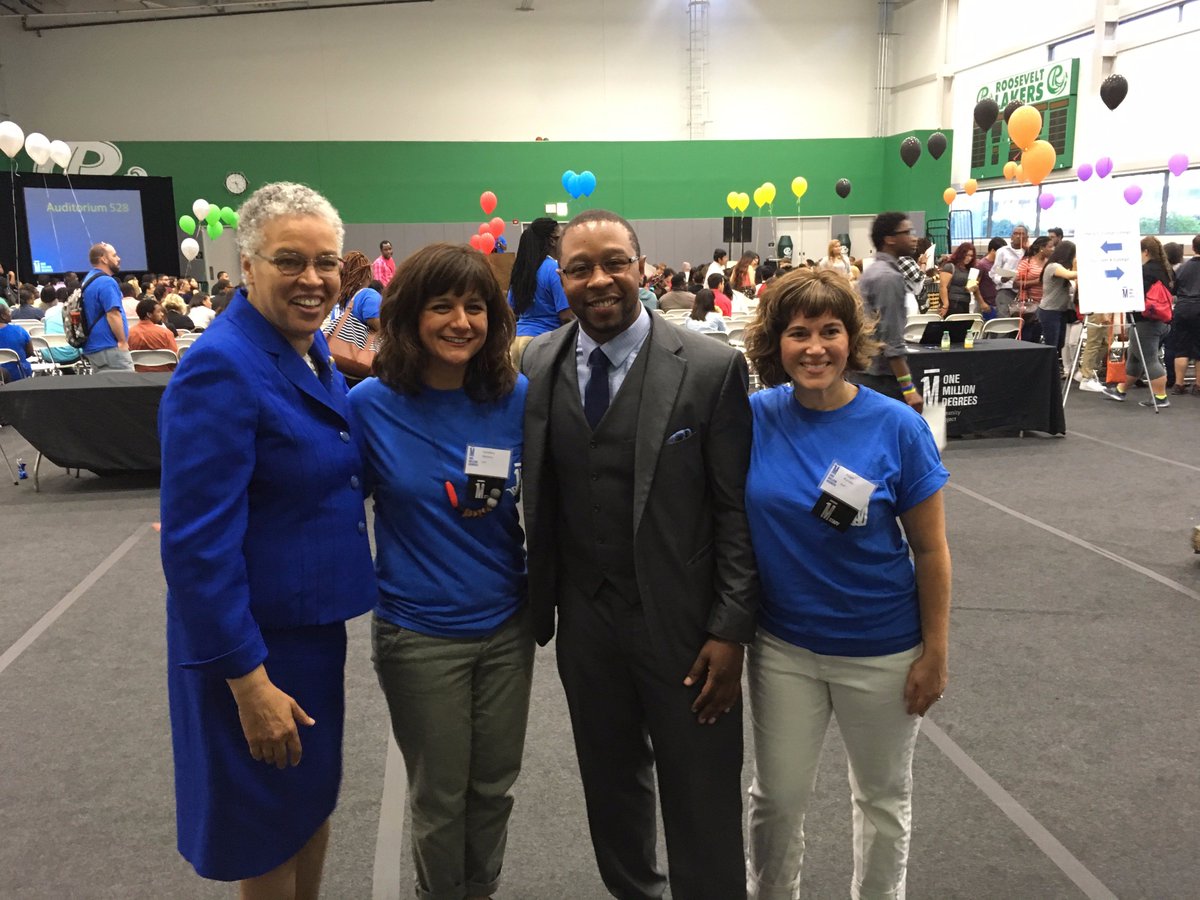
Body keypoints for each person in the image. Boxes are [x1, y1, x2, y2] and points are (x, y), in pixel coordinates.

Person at [520, 209, 758, 900]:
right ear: (560, 278)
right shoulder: (538, 361)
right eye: (579, 268)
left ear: (642, 267)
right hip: (585, 619)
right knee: (609, 784)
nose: (598, 280)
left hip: (686, 624)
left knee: (701, 790)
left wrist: (730, 629)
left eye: (614, 263)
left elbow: (735, 511)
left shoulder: (711, 368)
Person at [158, 182, 376, 896]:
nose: (313, 278)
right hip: (252, 648)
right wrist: (247, 681)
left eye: (326, 262)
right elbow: (196, 547)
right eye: (290, 260)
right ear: (247, 266)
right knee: (264, 831)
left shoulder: (311, 349)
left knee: (308, 805)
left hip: (309, 633)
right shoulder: (221, 366)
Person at [741, 267, 950, 900]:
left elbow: (931, 550)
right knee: (776, 799)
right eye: (798, 333)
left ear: (851, 339)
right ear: (775, 343)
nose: (815, 348)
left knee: (883, 798)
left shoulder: (897, 427)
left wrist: (935, 652)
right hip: (783, 648)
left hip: (883, 650)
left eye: (830, 331)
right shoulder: (751, 418)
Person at [348, 242, 533, 900]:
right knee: (440, 796)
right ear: (409, 316)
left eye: (475, 307)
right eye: (442, 306)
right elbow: (331, 510)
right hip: (419, 634)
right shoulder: (369, 406)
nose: (461, 321)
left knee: (493, 789)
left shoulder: (517, 398)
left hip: (506, 627)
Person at [851, 212, 923, 411]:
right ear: (890, 239)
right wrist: (909, 389)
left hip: (868, 372)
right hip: (880, 378)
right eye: (908, 232)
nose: (914, 237)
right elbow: (890, 339)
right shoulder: (888, 277)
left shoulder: (875, 271)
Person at [1104, 236, 1176, 408]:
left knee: (1150, 359)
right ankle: (1120, 390)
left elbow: (1133, 294)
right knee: (1135, 357)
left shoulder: (1144, 272)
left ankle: (1160, 397)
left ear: (1145, 252)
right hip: (1161, 320)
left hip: (1145, 322)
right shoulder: (1166, 270)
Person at [508, 217, 573, 368]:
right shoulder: (554, 270)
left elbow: (509, 313)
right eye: (561, 238)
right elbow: (566, 317)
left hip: (516, 342)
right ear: (552, 241)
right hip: (543, 344)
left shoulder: (521, 271)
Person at [81, 243, 132, 371]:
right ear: (103, 259)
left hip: (96, 347)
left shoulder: (89, 279)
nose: (118, 258)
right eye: (114, 255)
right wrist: (122, 341)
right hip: (109, 348)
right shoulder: (106, 282)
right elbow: (113, 314)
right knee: (126, 383)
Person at [1039, 240, 1077, 374]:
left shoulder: (1061, 267)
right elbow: (1070, 275)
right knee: (1052, 345)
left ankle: (1051, 371)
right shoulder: (1053, 266)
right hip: (1049, 311)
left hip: (1061, 311)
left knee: (1060, 344)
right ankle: (1047, 372)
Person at [1168, 235, 1200, 396]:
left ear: (1193, 248)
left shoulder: (1182, 268)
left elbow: (1173, 290)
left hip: (1182, 308)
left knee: (1181, 348)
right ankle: (1198, 386)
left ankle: (1179, 384)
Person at [1014, 236, 1050, 343]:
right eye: (1050, 246)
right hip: (1029, 304)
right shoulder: (1027, 262)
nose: (1053, 249)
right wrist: (1036, 281)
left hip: (1044, 303)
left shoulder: (1049, 263)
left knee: (1037, 335)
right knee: (1027, 335)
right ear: (1041, 248)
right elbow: (1016, 283)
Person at [128, 297, 180, 371]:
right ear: (149, 314)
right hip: (165, 374)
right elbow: (175, 358)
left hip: (138, 374)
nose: (162, 314)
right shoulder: (166, 333)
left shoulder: (129, 333)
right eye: (158, 312)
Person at [992, 225, 1027, 318]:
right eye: (1016, 234)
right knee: (1005, 321)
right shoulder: (1002, 251)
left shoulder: (1029, 252)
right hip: (1006, 290)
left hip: (1024, 292)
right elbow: (994, 273)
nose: (1018, 236)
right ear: (1011, 236)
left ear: (1026, 237)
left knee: (1021, 321)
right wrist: (1001, 279)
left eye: (1022, 234)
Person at [938, 242, 981, 318]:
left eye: (971, 256)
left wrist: (973, 287)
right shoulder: (950, 266)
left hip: (965, 302)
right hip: (953, 302)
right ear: (961, 254)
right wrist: (945, 305)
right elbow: (942, 286)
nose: (969, 258)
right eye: (967, 255)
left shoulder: (969, 269)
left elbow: (969, 288)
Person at [0, 303, 33, 381]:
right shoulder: (19, 330)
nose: (10, 314)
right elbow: (30, 352)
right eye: (8, 312)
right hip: (19, 375)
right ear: (3, 316)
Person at [975, 238, 1004, 320]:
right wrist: (982, 303)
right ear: (993, 250)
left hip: (998, 303)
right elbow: (973, 285)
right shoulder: (980, 264)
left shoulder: (999, 265)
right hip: (985, 305)